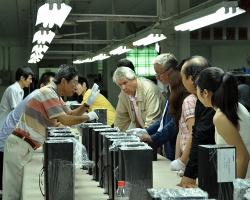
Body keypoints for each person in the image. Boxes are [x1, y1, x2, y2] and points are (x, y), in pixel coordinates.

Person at [2, 64, 100, 200]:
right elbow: (66, 120)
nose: (76, 87)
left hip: (25, 145)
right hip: (19, 145)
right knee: (13, 194)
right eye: (74, 83)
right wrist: (88, 116)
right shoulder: (48, 93)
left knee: (18, 192)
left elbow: (71, 113)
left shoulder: (55, 95)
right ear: (64, 81)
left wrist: (87, 105)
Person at [0, 72, 56, 193]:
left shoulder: (34, 94)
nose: (53, 90)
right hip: (10, 135)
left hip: (14, 135)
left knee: (11, 182)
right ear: (42, 86)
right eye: (51, 86)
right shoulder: (32, 96)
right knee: (10, 185)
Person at [196, 67, 250, 178]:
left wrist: (235, 192)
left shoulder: (221, 117)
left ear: (205, 92)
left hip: (243, 180)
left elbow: (243, 157)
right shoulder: (236, 107)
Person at [126, 53, 179, 160]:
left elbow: (175, 122)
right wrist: (147, 131)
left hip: (176, 143)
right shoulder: (170, 89)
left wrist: (154, 138)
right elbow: (164, 118)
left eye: (159, 73)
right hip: (168, 143)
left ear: (170, 70)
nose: (157, 77)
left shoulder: (179, 91)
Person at [178, 56, 215, 188]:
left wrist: (190, 174)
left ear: (192, 79)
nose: (181, 81)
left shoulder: (211, 100)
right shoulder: (201, 98)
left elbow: (201, 135)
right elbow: (196, 133)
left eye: (183, 77)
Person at [113, 66, 165, 132]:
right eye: (120, 85)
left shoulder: (149, 89)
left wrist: (145, 137)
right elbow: (121, 118)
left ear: (134, 79)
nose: (123, 88)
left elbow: (152, 120)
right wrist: (116, 137)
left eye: (125, 83)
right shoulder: (124, 93)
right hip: (146, 132)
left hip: (160, 133)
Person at [169, 65, 197, 171]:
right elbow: (180, 133)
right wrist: (177, 160)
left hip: (190, 158)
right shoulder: (184, 102)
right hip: (186, 158)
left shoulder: (189, 101)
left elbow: (193, 133)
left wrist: (182, 161)